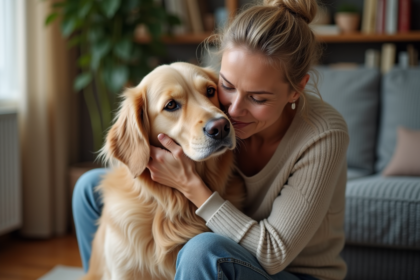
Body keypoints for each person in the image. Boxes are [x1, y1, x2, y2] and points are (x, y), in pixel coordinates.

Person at [73, 0, 349, 279]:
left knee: (202, 250)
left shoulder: (324, 133)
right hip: (235, 246)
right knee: (88, 187)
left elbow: (273, 253)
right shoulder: (221, 113)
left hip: (290, 271)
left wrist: (190, 184)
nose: (231, 112)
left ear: (295, 90)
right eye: (226, 86)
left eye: (258, 98)